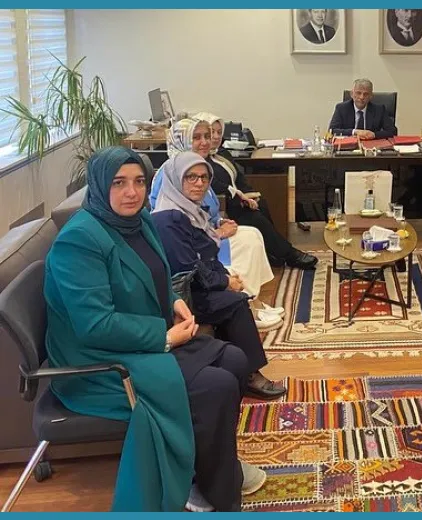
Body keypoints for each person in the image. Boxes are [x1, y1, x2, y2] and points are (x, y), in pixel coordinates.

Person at [43, 146, 265, 512]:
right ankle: (202, 483)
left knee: (236, 361)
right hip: (98, 361)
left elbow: (153, 276)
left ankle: (210, 461)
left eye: (139, 181)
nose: (131, 192)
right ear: (99, 185)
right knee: (217, 385)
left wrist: (173, 301)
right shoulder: (79, 241)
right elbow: (95, 325)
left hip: (137, 338)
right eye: (118, 183)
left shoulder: (140, 221)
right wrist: (163, 337)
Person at [151, 151, 287, 401]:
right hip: (183, 296)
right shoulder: (168, 218)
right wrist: (224, 282)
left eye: (204, 177)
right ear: (175, 179)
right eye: (191, 177)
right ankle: (250, 375)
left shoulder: (190, 210)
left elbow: (205, 257)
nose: (199, 183)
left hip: (197, 284)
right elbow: (187, 268)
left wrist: (224, 276)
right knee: (235, 303)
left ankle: (237, 368)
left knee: (234, 294)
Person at [167, 117, 317, 271]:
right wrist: (220, 226)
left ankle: (274, 252)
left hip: (216, 218)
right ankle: (287, 254)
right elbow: (188, 220)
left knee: (260, 206)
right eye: (196, 137)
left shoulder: (210, 158)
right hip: (207, 232)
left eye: (208, 136)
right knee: (253, 218)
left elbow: (235, 179)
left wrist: (226, 214)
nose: (206, 142)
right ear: (183, 141)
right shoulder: (176, 172)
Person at [328, 78, 398, 140]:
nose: (362, 97)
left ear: (371, 96)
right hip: (349, 146)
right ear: (352, 94)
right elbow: (332, 131)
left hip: (372, 146)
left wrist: (374, 135)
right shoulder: (341, 108)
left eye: (366, 94)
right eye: (358, 93)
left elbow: (393, 131)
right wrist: (355, 132)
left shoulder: (379, 110)